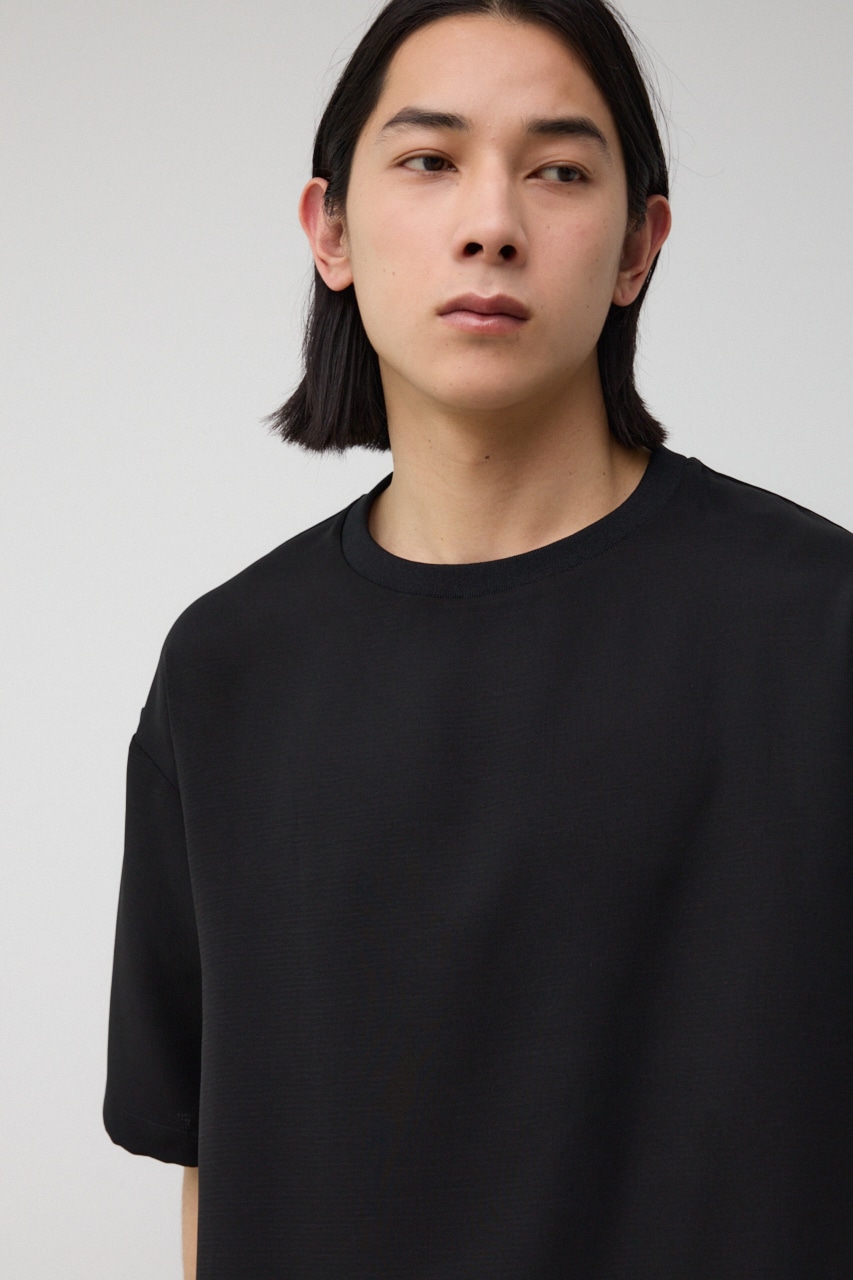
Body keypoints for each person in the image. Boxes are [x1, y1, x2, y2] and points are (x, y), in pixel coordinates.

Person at [102, 0, 853, 1276]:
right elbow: (214, 1164)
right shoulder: (227, 670)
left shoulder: (818, 633)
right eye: (429, 159)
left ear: (638, 246)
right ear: (331, 230)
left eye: (558, 170)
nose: (490, 222)